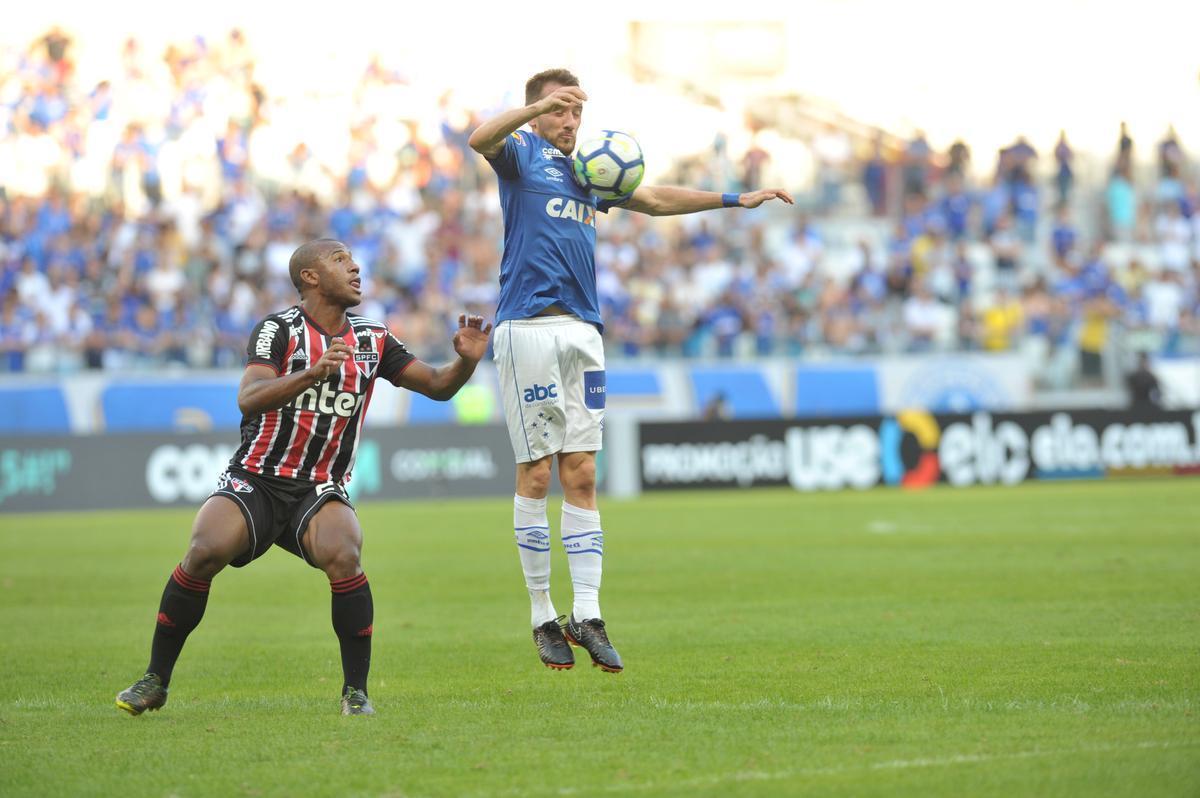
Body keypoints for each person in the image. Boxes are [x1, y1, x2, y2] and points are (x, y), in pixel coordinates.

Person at [468, 68, 793, 672]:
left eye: (576, 114)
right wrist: (532, 108)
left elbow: (654, 199)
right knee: (537, 474)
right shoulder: (519, 156)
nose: (569, 123)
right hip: (527, 328)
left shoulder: (593, 169)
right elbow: (479, 139)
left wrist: (734, 200)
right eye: (559, 112)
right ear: (537, 112)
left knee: (583, 472)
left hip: (584, 331)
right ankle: (542, 615)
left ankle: (586, 613)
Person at [115, 238, 492, 716]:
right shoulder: (279, 329)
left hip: (318, 486)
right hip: (258, 476)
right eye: (341, 260)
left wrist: (466, 363)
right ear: (310, 277)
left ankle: (356, 692)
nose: (355, 267)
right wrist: (313, 374)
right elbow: (249, 397)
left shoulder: (374, 339)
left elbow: (437, 386)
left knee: (344, 551)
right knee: (204, 550)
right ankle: (155, 680)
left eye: (355, 261)